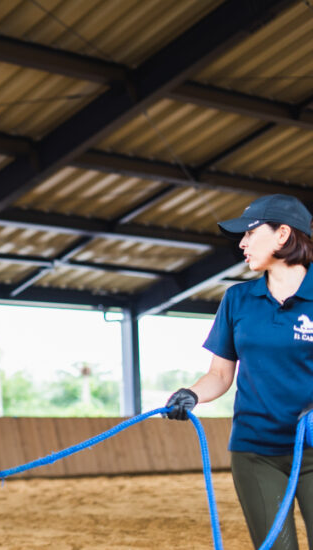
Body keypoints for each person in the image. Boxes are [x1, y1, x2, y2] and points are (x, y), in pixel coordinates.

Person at [164, 194, 313, 549]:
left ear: (282, 234)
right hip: (255, 452)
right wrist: (192, 395)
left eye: (249, 233)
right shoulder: (237, 299)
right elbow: (219, 374)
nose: (242, 243)